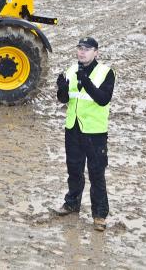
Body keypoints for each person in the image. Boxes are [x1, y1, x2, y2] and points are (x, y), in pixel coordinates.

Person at [54, 37, 116, 231]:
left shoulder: (106, 72)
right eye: (80, 48)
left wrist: (86, 82)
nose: (82, 52)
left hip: (95, 131)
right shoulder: (71, 70)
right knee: (74, 169)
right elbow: (65, 99)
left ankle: (99, 215)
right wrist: (61, 90)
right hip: (73, 128)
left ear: (96, 52)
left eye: (87, 49)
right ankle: (72, 203)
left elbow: (103, 99)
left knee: (97, 173)